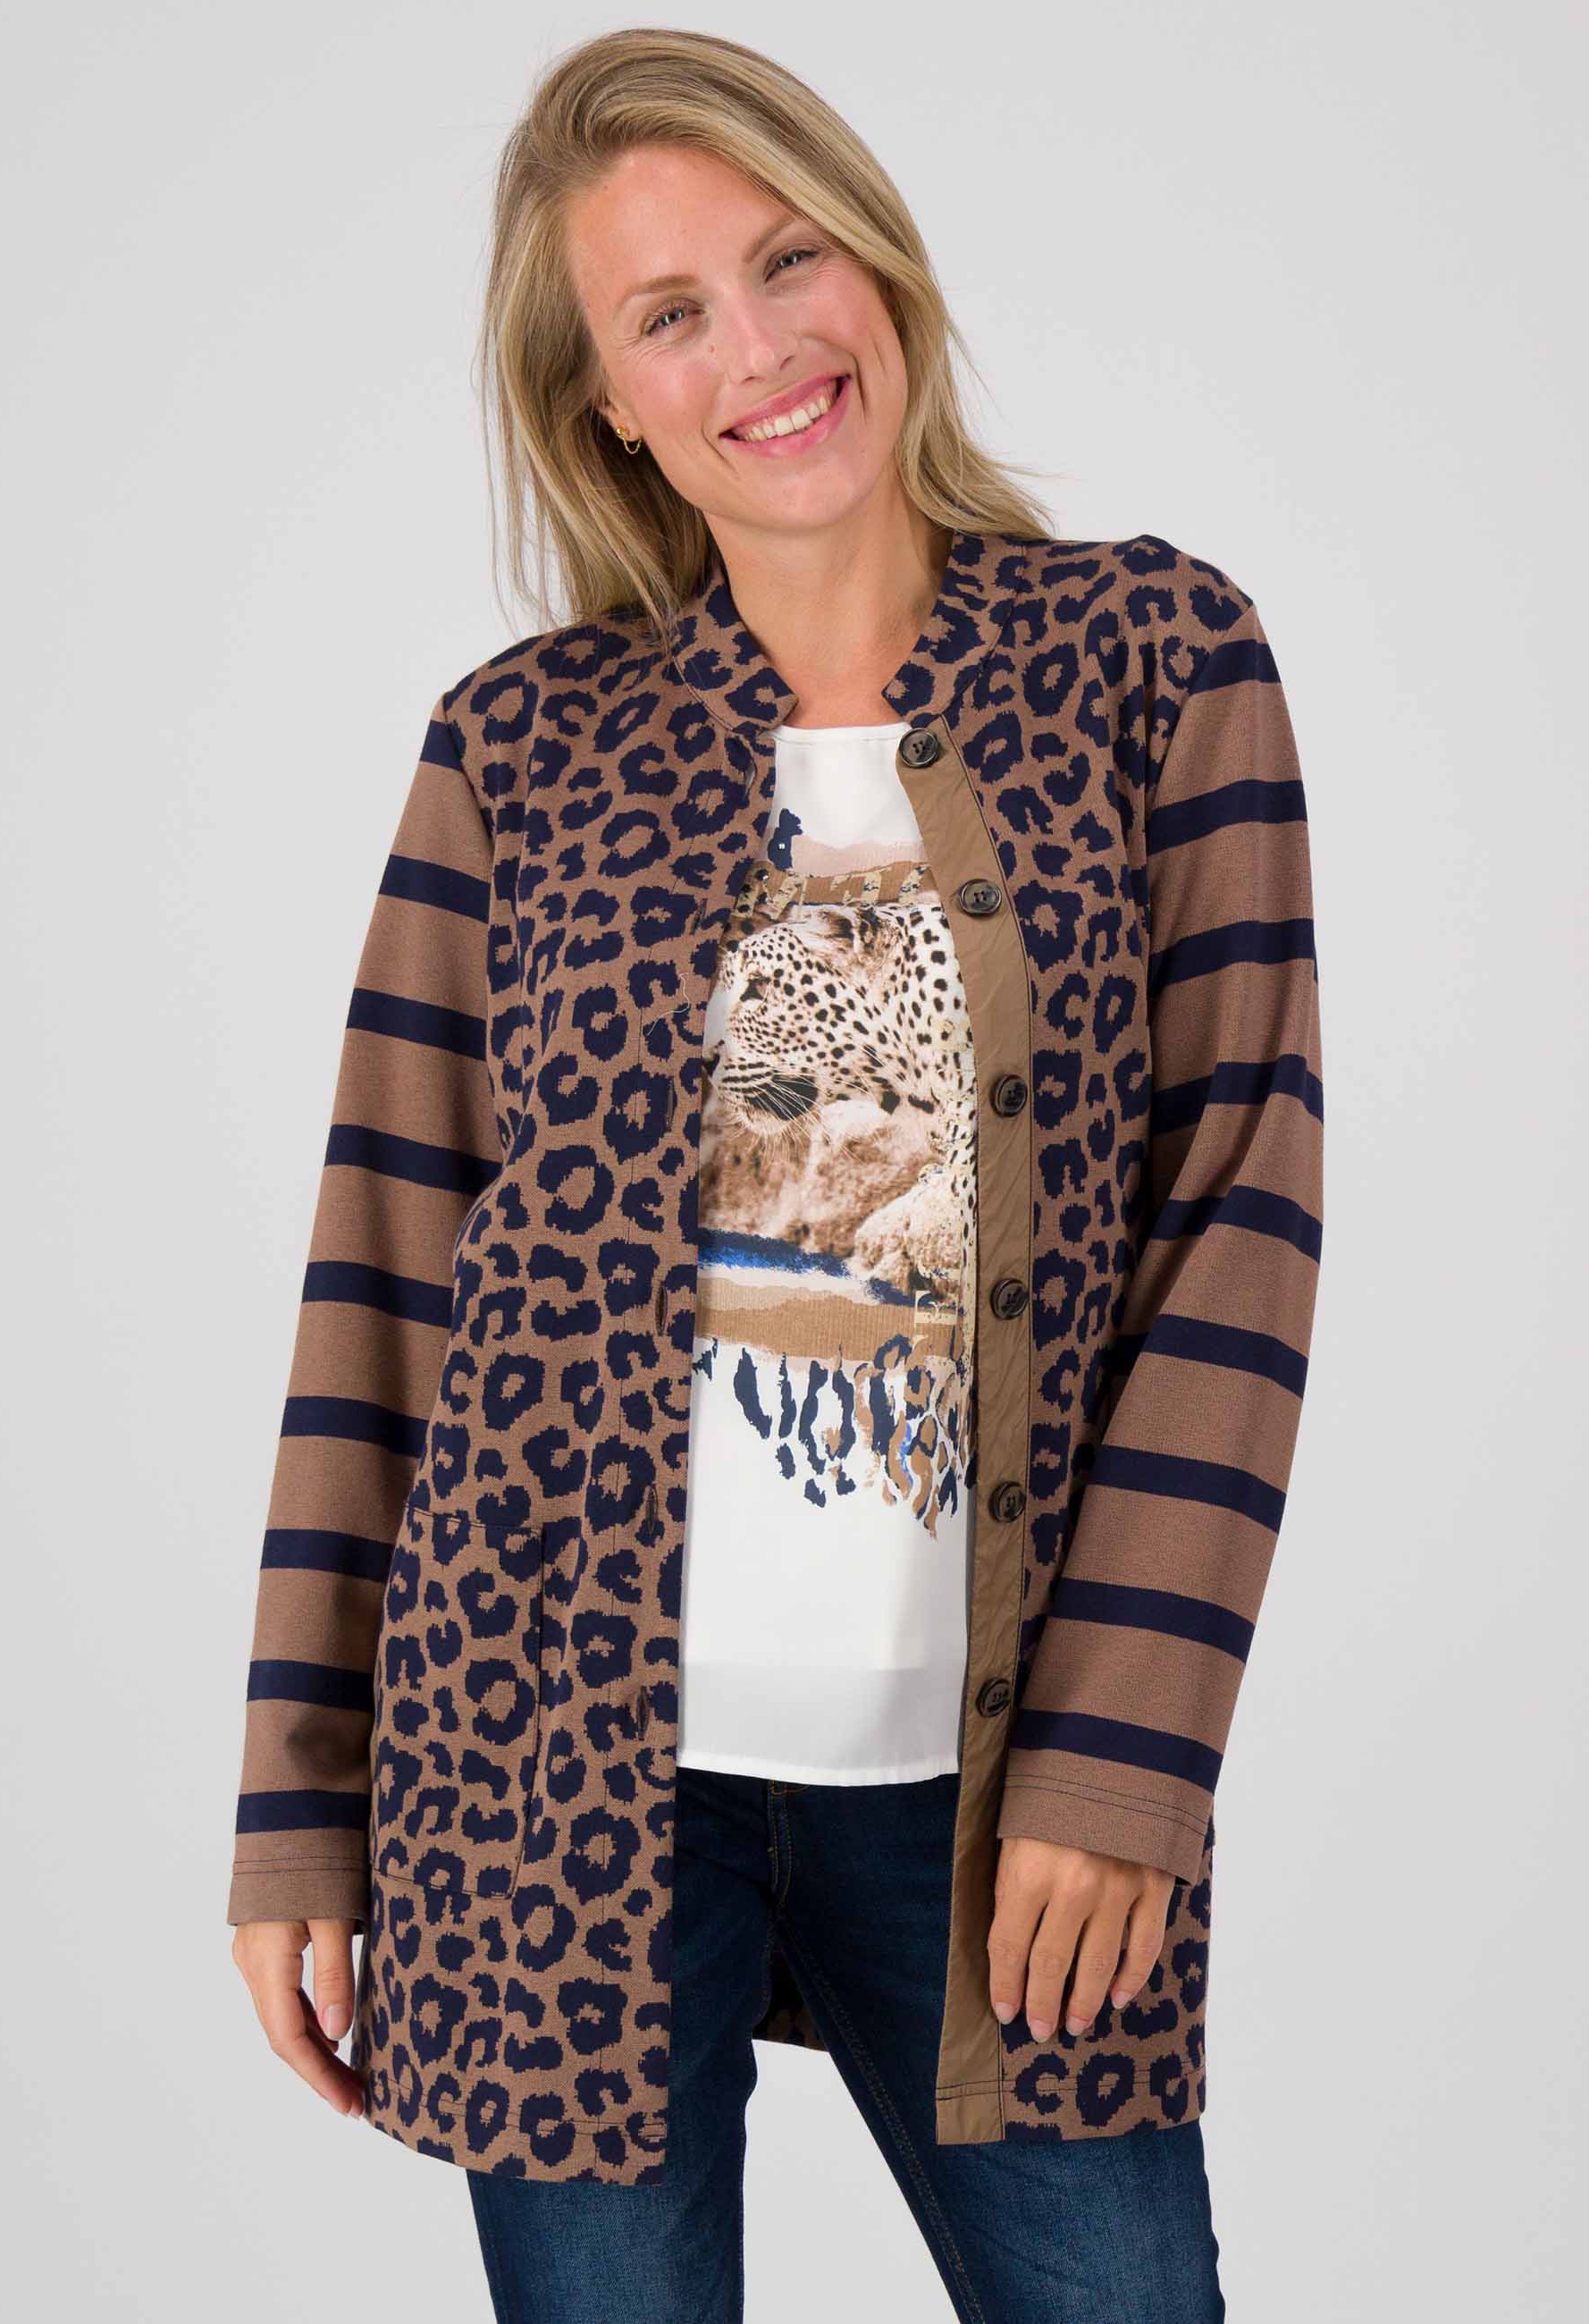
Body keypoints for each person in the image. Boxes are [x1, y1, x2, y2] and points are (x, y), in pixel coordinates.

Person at [228, 28, 1324, 2323]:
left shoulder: (1152, 657)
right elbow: (388, 1272)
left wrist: (1126, 1759)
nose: (757, 348)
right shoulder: (518, 747)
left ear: (880, 267)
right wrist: (300, 1801)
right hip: (550, 1770)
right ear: (609, 406)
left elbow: (1238, 1210)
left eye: (788, 258)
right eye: (669, 314)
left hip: (996, 1778)